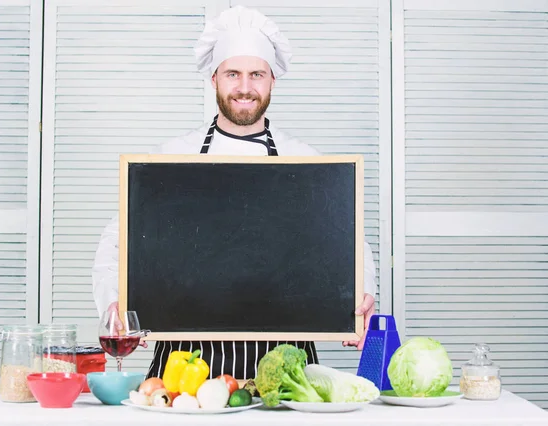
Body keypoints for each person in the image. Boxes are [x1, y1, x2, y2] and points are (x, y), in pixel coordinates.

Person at [92, 5, 377, 380]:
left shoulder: (307, 162)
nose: (245, 87)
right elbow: (118, 241)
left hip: (287, 365)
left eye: (256, 74)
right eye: (233, 74)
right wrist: (114, 302)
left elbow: (350, 245)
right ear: (214, 79)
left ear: (272, 80)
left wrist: (361, 300)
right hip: (183, 366)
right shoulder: (171, 158)